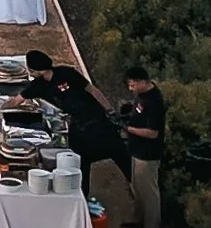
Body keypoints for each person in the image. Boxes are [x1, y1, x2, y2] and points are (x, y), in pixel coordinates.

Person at [17, 50, 129, 193]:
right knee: (81, 161)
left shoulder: (67, 73)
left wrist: (110, 110)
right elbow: (17, 100)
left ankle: (136, 185)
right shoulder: (38, 85)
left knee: (117, 150)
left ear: (37, 69)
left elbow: (92, 90)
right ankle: (83, 194)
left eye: (30, 69)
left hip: (95, 118)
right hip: (78, 125)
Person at [121, 65, 167, 228]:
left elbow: (153, 133)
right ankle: (138, 218)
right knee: (138, 188)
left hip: (148, 154)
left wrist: (128, 129)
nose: (130, 89)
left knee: (149, 193)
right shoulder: (142, 96)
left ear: (142, 82)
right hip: (136, 150)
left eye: (133, 85)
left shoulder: (154, 102)